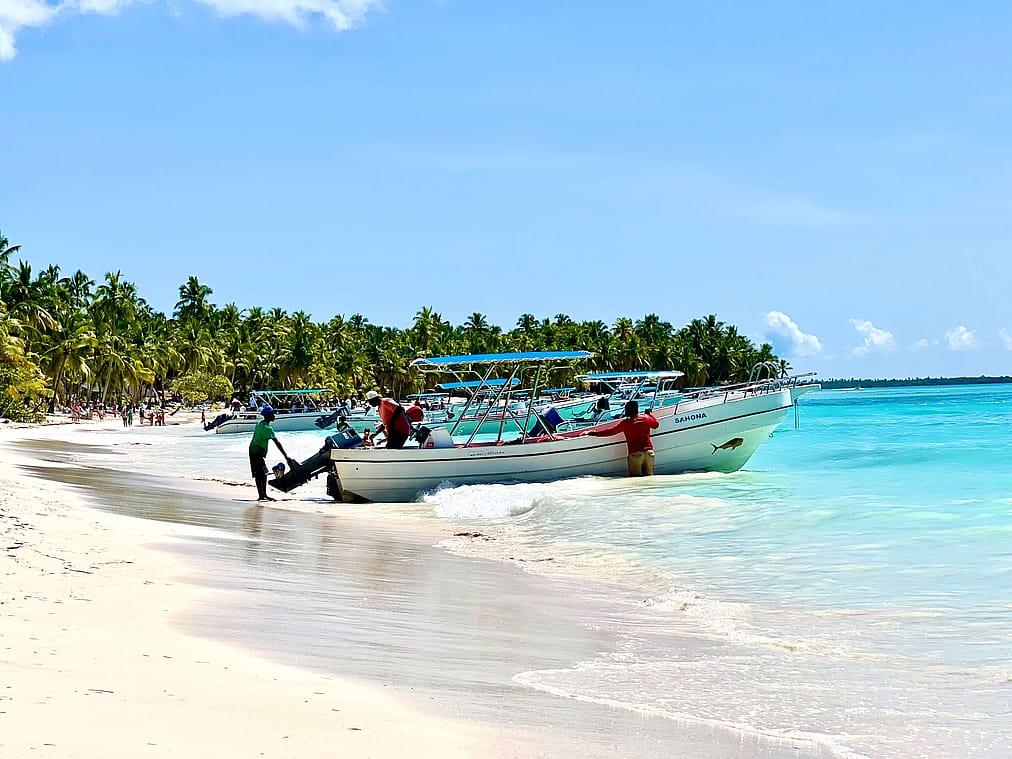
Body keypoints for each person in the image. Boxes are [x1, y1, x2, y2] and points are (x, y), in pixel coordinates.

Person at [585, 400, 659, 477]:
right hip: (649, 453)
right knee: (650, 477)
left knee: (636, 480)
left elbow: (610, 432)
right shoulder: (646, 418)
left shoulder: (625, 423)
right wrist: (650, 414)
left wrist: (594, 433)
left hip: (635, 454)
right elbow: (656, 425)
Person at [249, 405, 296, 502]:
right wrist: (286, 456)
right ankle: (262, 496)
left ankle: (262, 495)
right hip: (257, 452)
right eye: (273, 414)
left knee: (261, 474)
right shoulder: (267, 428)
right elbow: (277, 443)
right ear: (268, 415)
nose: (275, 415)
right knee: (261, 474)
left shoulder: (260, 424)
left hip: (253, 450)